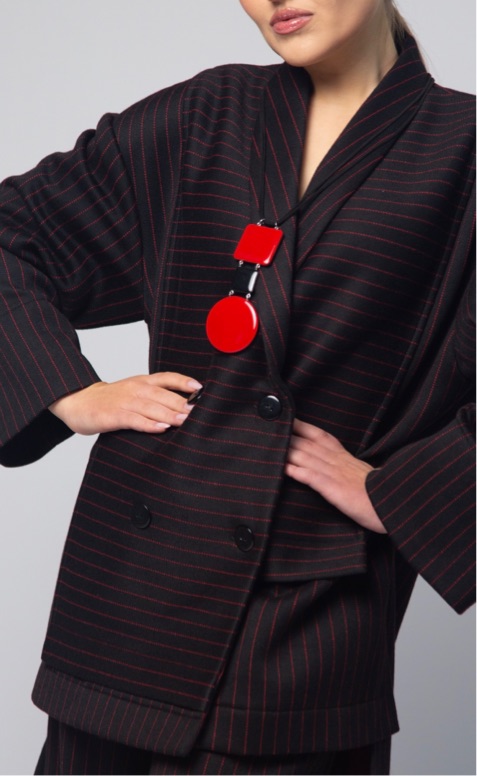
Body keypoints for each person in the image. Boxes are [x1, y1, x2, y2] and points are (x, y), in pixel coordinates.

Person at [0, 0, 474, 773]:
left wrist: (401, 491)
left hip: (305, 625)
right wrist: (68, 391)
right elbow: (11, 233)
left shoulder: (462, 149)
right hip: (124, 601)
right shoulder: (205, 115)